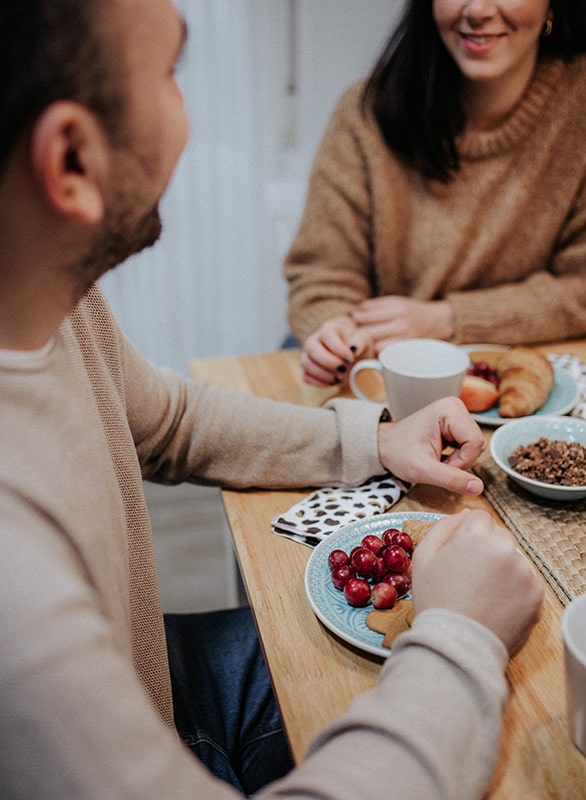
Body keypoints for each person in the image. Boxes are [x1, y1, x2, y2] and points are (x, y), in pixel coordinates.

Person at [0, 2, 544, 799]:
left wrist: (376, 438)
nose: (187, 111)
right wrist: (459, 638)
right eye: (170, 73)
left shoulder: (53, 299)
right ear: (71, 160)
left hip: (155, 681)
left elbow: (174, 420)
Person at [285, 0, 586, 387]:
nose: (478, 10)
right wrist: (334, 330)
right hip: (387, 374)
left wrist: (446, 319)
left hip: (542, 365)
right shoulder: (365, 111)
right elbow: (322, 275)